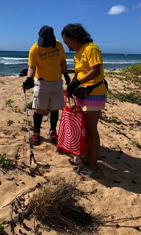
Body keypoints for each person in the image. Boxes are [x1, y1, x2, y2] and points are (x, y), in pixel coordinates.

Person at [61, 23, 107, 176]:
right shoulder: (78, 53)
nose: (68, 46)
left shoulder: (91, 49)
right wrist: (71, 86)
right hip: (82, 94)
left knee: (91, 130)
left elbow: (96, 70)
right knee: (84, 128)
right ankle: (87, 157)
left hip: (94, 94)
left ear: (75, 37)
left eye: (68, 42)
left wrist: (78, 83)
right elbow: (79, 73)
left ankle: (93, 165)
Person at [23, 25, 70, 145]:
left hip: (57, 82)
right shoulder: (35, 48)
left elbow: (62, 61)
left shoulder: (59, 45)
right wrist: (29, 78)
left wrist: (66, 74)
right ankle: (36, 132)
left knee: (55, 108)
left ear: (52, 38)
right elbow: (32, 66)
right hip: (42, 82)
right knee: (39, 108)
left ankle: (52, 131)